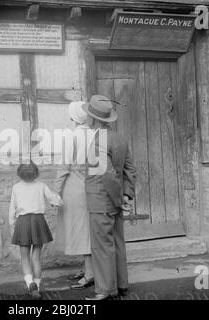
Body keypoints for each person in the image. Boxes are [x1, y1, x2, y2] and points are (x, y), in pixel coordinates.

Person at [82, 95, 136, 301]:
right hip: (115, 199)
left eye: (89, 115)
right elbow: (130, 169)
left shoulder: (97, 142)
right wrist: (125, 195)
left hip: (101, 201)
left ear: (94, 119)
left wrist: (116, 199)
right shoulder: (120, 138)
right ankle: (121, 284)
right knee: (117, 242)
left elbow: (107, 174)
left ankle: (105, 290)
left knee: (102, 245)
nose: (87, 118)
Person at [53, 101, 94, 290]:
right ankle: (86, 267)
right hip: (90, 186)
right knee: (85, 228)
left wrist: (56, 192)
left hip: (74, 188)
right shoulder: (94, 135)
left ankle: (90, 273)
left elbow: (63, 168)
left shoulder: (72, 138)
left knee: (80, 230)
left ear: (74, 118)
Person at [9, 161, 63, 299]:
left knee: (25, 257)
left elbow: (12, 208)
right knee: (36, 257)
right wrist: (58, 201)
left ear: (19, 173)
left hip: (22, 222)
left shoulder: (16, 187)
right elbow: (54, 200)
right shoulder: (41, 186)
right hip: (38, 221)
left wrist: (12, 224)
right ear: (36, 173)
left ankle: (29, 283)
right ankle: (37, 287)